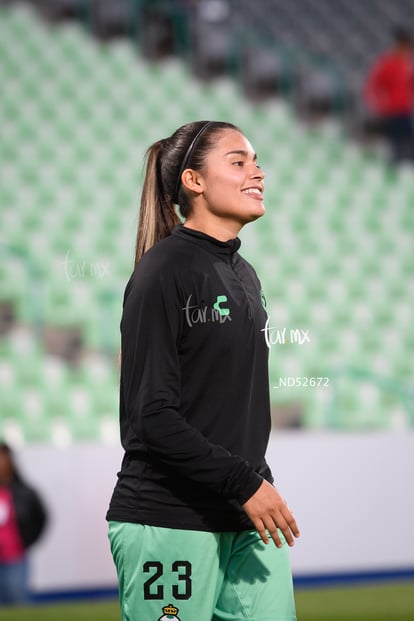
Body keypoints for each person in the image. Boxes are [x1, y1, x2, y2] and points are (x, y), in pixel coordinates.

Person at [106, 120, 300, 621]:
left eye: (256, 161)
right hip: (169, 519)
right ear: (193, 181)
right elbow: (152, 417)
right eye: (238, 161)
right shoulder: (163, 271)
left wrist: (253, 483)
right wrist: (246, 483)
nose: (257, 172)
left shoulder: (244, 274)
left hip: (246, 518)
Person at [0, 442, 48, 605]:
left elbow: (41, 517)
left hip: (15, 557)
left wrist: (25, 541)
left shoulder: (24, 491)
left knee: (18, 600)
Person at [364, 26, 414, 164]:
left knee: (408, 145)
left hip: (406, 111)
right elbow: (373, 87)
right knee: (396, 146)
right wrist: (381, 106)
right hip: (393, 112)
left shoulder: (408, 63)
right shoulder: (387, 63)